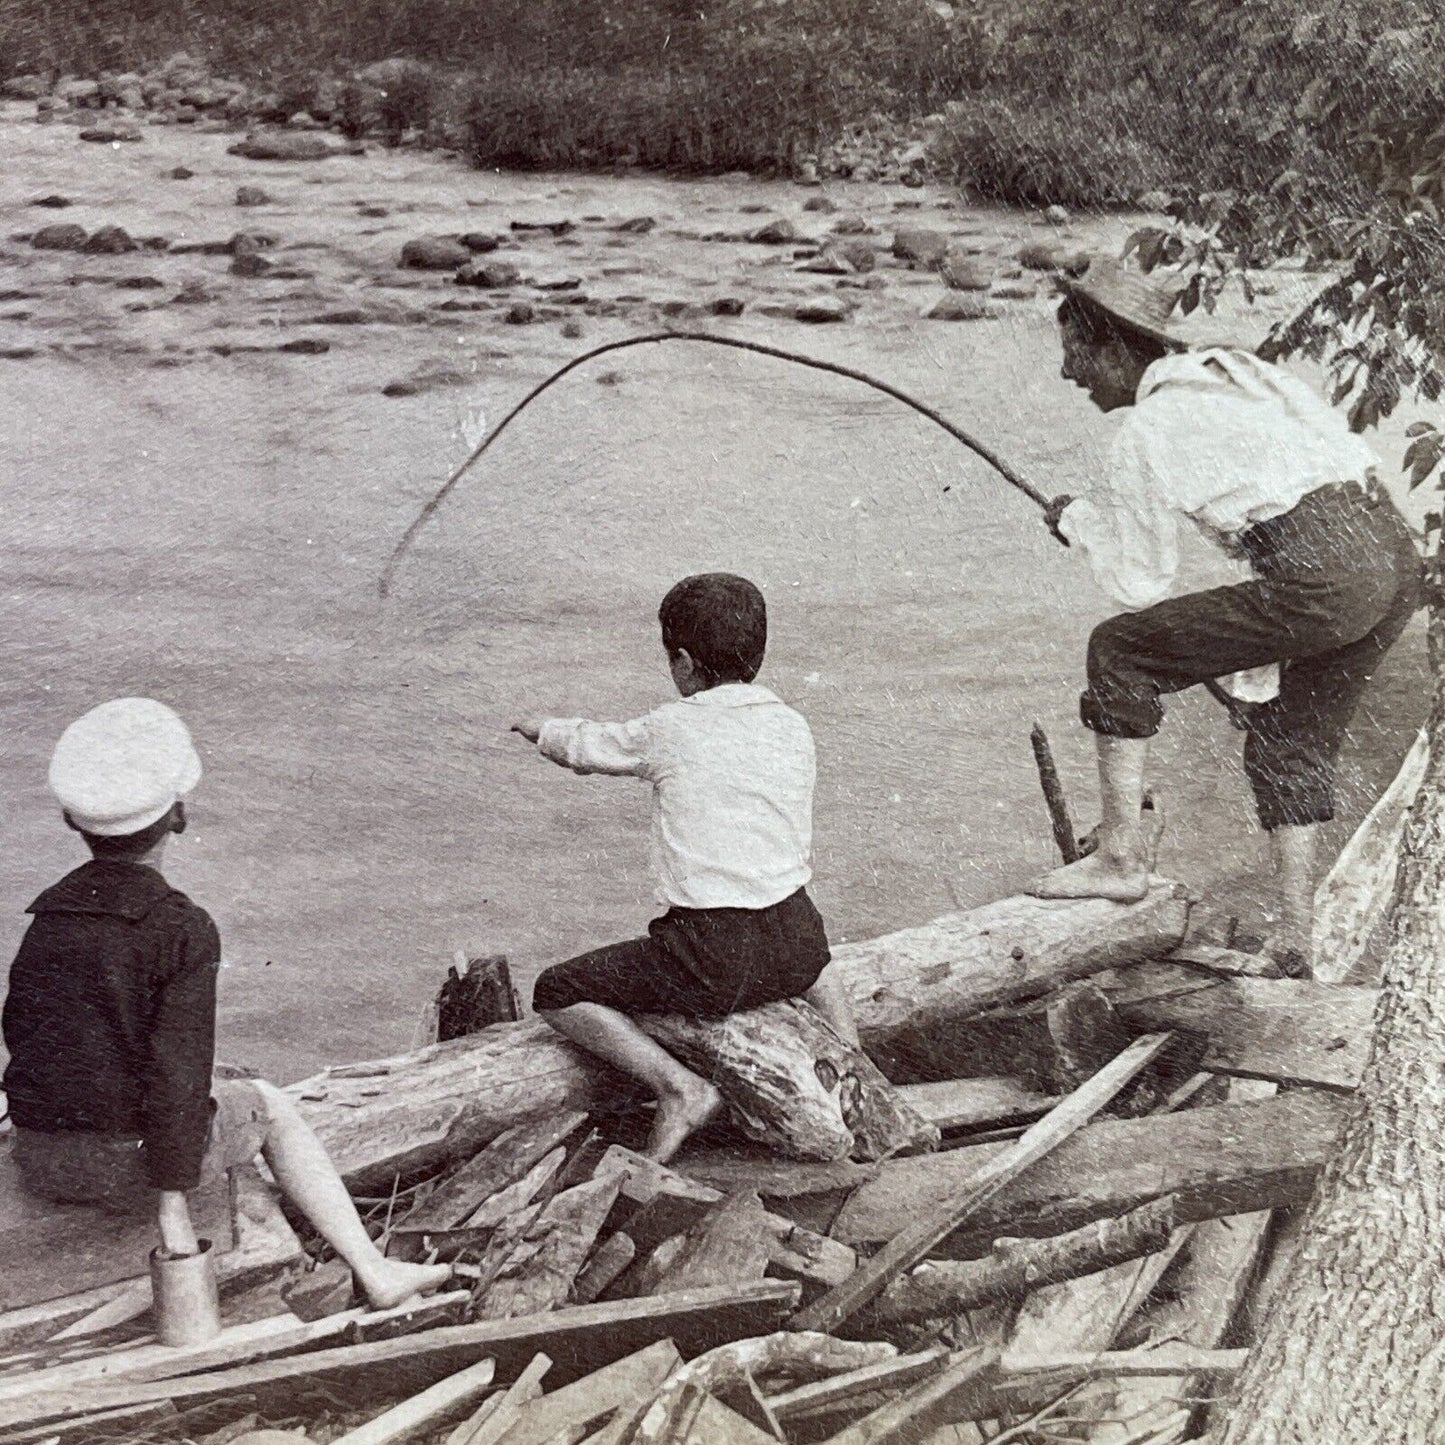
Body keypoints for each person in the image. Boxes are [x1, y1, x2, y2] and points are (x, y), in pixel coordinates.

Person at [1030, 257, 1422, 975]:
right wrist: (1250, 665)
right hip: (1393, 557)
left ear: (1114, 346)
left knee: (1116, 650)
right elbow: (1291, 498)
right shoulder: (1236, 376)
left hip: (1326, 570)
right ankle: (1296, 942)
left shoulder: (1146, 430)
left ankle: (1117, 856)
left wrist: (1078, 524)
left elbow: (1140, 581)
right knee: (1286, 740)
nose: (1069, 377)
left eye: (1075, 357)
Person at [1, 698, 451, 1310]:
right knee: (267, 1103)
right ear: (179, 815)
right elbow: (176, 1081)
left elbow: (34, 1039)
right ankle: (376, 1271)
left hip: (40, 1156)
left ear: (68, 819)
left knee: (202, 1075)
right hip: (122, 1169)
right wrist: (172, 1205)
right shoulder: (182, 928)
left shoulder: (46, 919)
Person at [513, 573, 854, 1162]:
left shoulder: (671, 728)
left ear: (686, 663)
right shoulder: (793, 725)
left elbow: (595, 747)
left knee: (557, 990)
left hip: (713, 957)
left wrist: (543, 731)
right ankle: (851, 1059)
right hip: (799, 942)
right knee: (810, 948)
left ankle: (680, 1090)